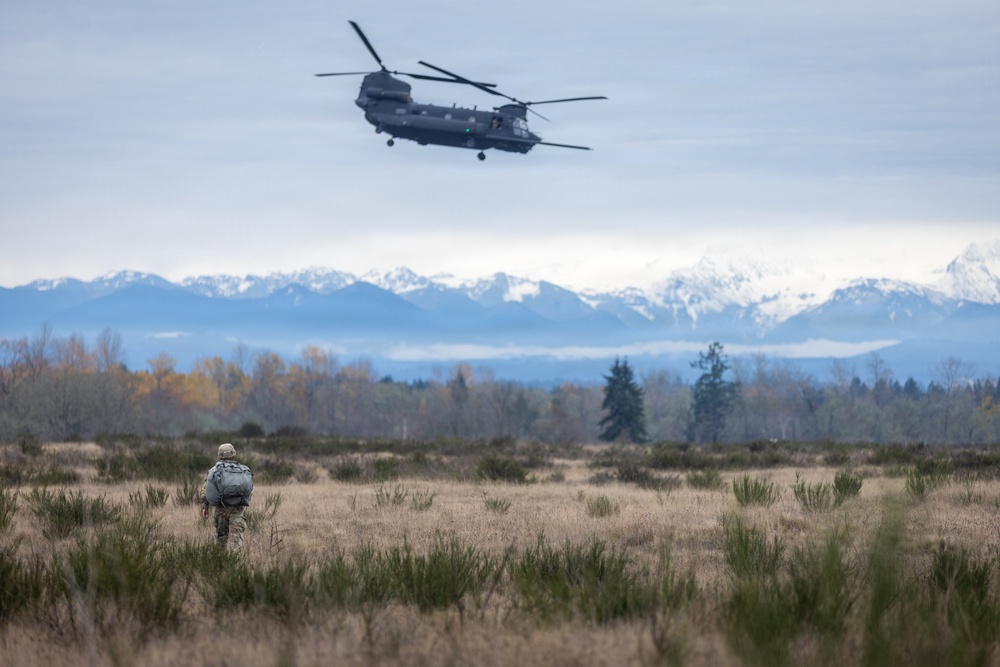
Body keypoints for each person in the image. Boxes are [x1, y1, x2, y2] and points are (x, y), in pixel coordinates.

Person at [201, 443, 253, 550]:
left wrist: (205, 507)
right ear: (233, 455)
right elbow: (249, 489)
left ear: (220, 456)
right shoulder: (242, 470)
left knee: (221, 541)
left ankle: (220, 564)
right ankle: (235, 563)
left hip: (221, 510)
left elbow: (206, 490)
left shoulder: (213, 470)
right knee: (236, 543)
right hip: (237, 509)